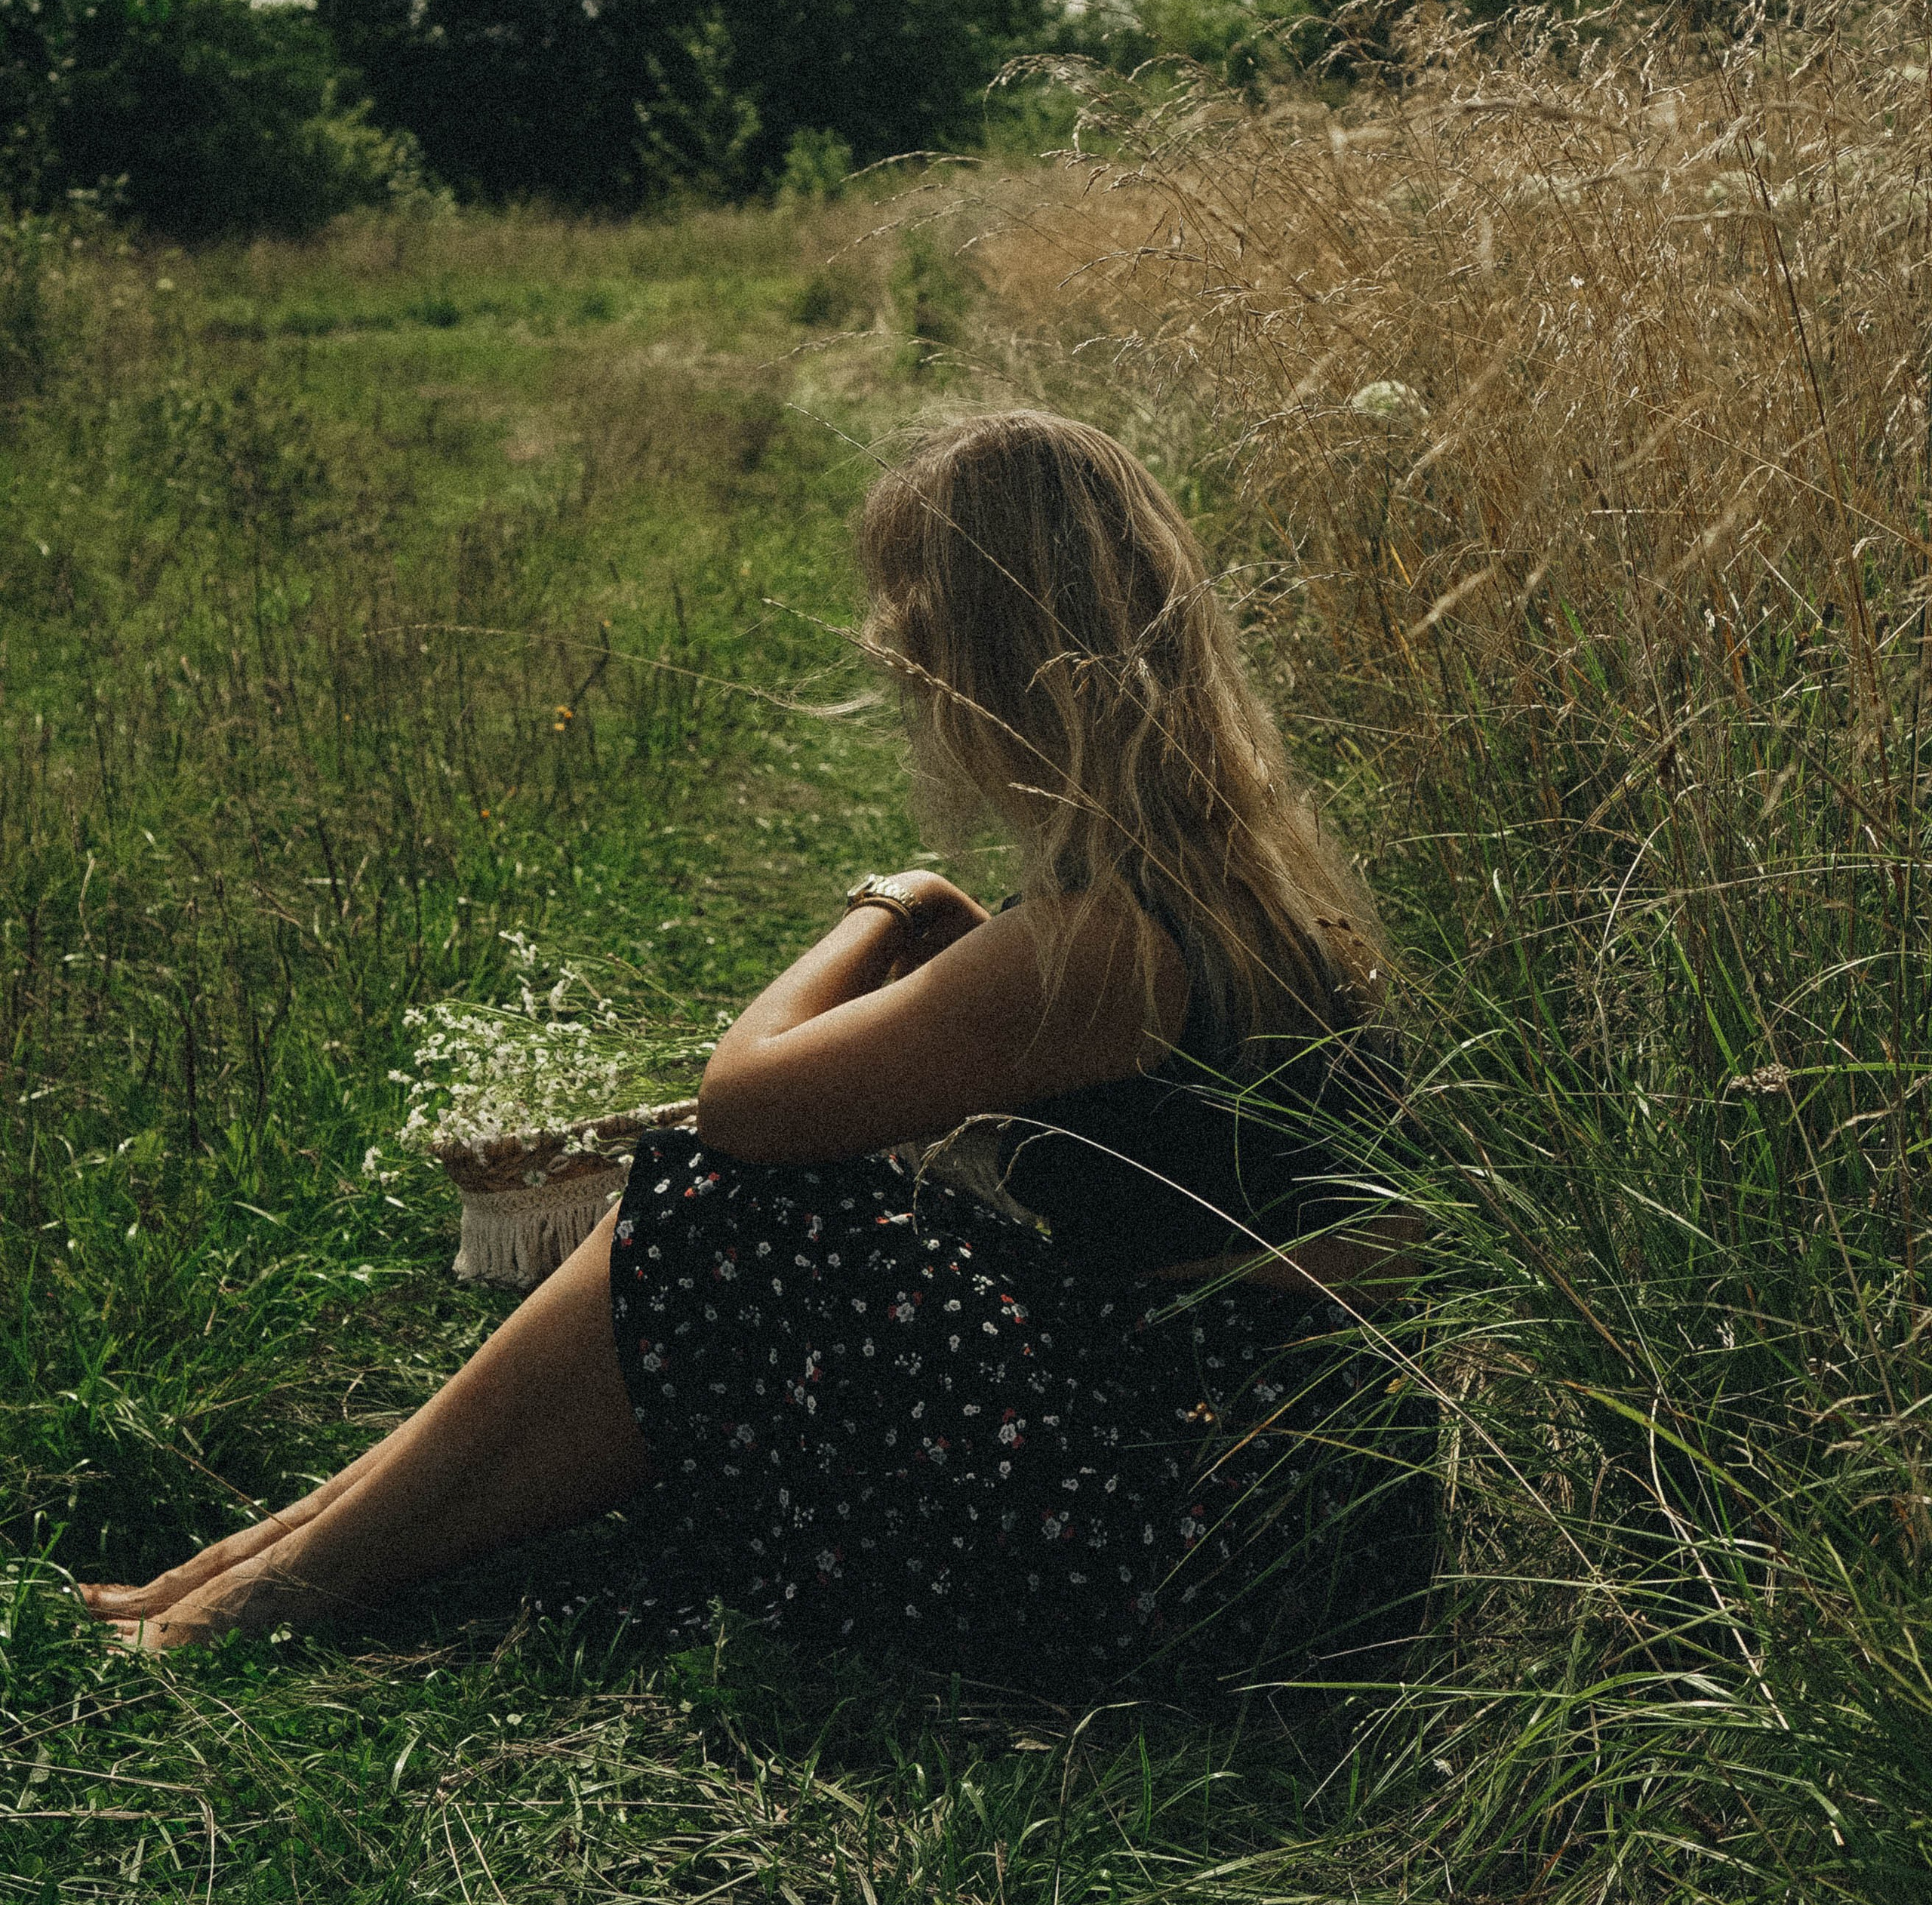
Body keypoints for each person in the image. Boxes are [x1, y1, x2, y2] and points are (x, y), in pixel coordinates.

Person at [79, 411, 1431, 1680]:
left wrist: (887, 906)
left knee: (719, 1206)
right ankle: (269, 1558)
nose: (887, 653)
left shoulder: (1101, 941)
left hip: (1202, 1531)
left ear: (981, 652)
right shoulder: (1236, 879)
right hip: (1278, 1487)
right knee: (736, 1207)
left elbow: (746, 1103)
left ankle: (274, 1586)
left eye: (906, 617)